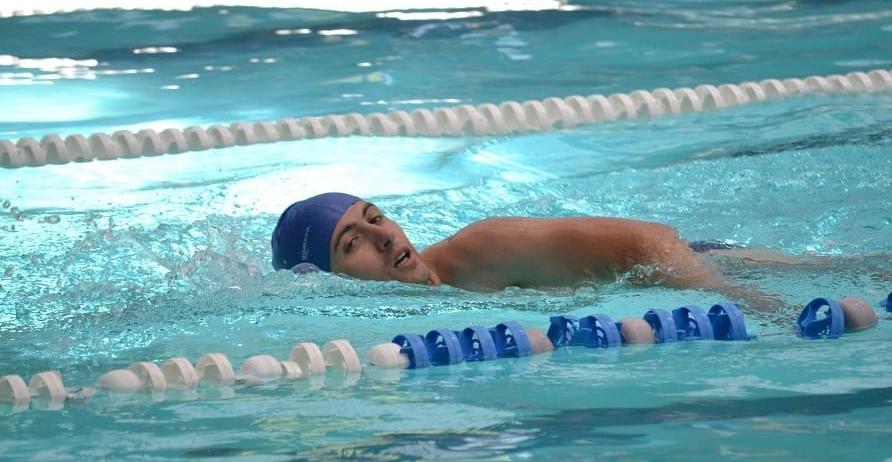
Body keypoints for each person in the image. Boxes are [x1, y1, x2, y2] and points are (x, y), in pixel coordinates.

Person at [271, 192, 788, 309]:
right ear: (322, 278)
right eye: (353, 242)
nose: (386, 235)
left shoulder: (481, 250)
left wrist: (741, 298)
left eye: (376, 217)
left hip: (703, 260)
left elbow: (644, 241)